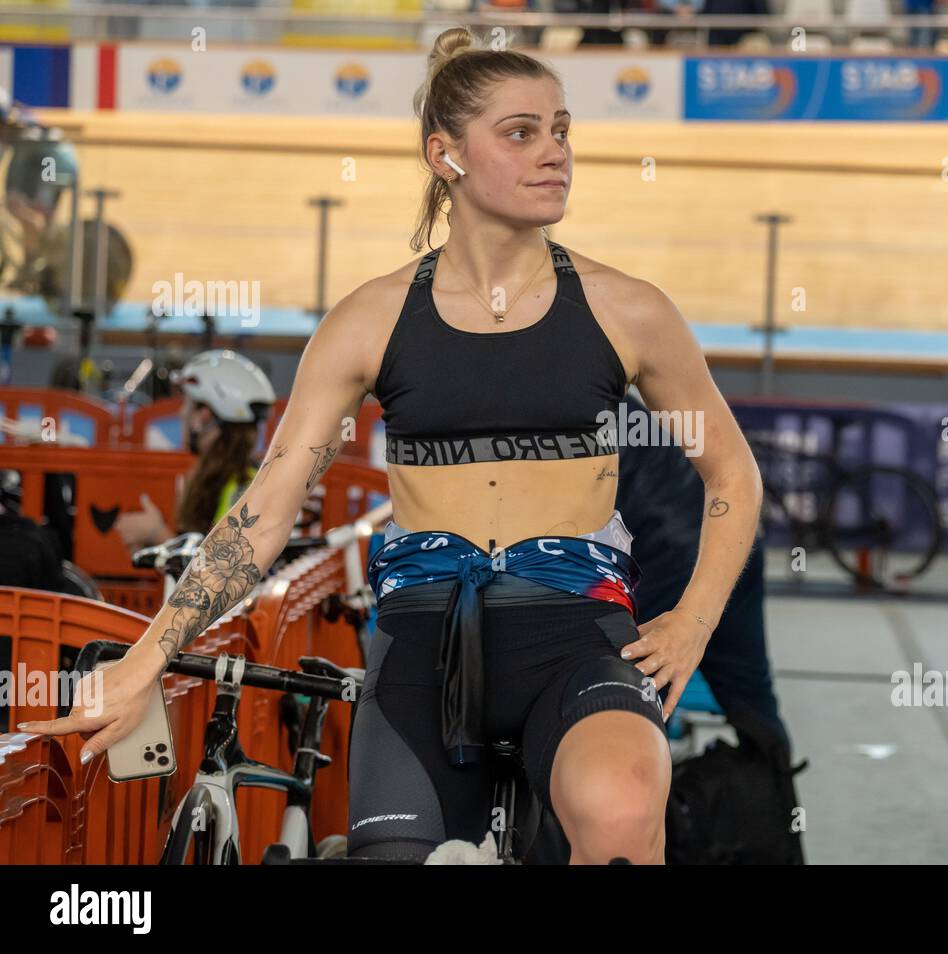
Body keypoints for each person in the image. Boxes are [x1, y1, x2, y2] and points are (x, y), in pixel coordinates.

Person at [20, 27, 762, 866]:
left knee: (622, 815)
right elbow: (263, 514)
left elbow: (732, 472)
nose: (554, 151)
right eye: (521, 132)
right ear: (445, 154)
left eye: (561, 129)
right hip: (420, 645)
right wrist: (147, 659)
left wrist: (693, 622)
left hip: (577, 639)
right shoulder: (367, 321)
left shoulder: (629, 310)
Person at [615, 389, 791, 755]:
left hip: (665, 554)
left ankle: (641, 773)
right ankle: (772, 779)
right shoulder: (611, 395)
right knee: (748, 689)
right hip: (730, 546)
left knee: (634, 695)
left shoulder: (567, 408)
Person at [112, 349, 275, 551]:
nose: (181, 413)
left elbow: (223, 564)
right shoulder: (223, 476)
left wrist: (156, 534)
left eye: (186, 404)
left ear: (204, 415)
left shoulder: (243, 487)